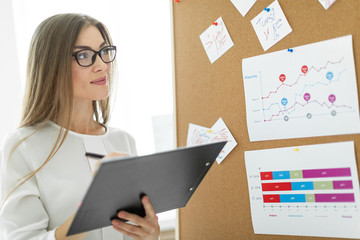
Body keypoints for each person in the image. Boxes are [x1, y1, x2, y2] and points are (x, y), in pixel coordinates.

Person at [0, 13, 160, 240]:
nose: (102, 65)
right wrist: (94, 205)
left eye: (104, 52)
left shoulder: (123, 140)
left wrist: (150, 235)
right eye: (84, 55)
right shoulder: (23, 146)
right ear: (52, 67)